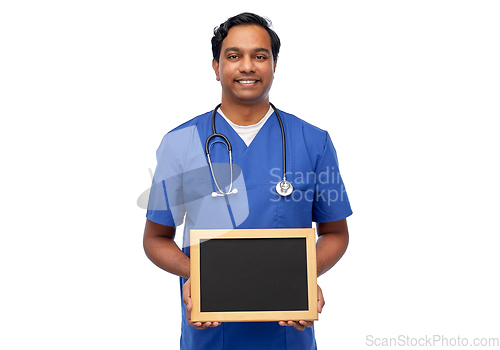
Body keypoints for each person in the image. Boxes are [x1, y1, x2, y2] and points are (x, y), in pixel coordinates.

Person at [143, 12, 352, 350]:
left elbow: (336, 233)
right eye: (234, 55)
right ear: (216, 67)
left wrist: (304, 275)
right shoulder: (180, 143)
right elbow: (155, 238)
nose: (247, 66)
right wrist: (195, 273)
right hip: (211, 331)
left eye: (259, 56)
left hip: (287, 332)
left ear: (273, 65)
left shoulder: (313, 141)